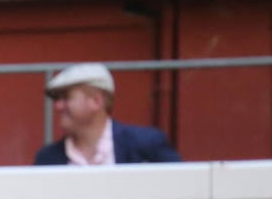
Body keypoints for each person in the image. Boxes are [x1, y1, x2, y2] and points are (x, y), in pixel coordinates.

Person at [33, 63, 182, 166]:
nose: (57, 106)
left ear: (96, 101)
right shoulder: (47, 158)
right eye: (57, 99)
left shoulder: (146, 146)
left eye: (66, 98)